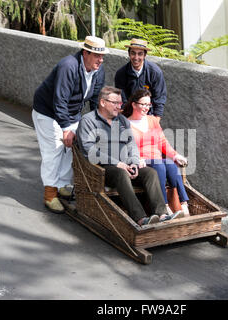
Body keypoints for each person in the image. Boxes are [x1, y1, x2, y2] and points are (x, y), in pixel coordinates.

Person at [76, 86, 179, 226]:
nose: (119, 106)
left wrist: (134, 163)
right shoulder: (88, 121)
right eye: (115, 103)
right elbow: (89, 150)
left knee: (150, 172)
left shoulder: (122, 121)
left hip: (126, 164)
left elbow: (132, 146)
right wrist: (117, 163)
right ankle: (140, 217)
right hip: (102, 168)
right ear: (102, 102)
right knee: (120, 173)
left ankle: (161, 214)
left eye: (120, 103)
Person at [32, 36, 108, 214]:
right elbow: (60, 100)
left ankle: (62, 185)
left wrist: (97, 124)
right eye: (97, 55)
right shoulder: (68, 66)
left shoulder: (99, 70)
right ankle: (50, 193)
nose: (101, 59)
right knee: (55, 148)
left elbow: (96, 100)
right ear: (85, 53)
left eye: (102, 56)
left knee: (72, 147)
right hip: (47, 111)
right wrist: (66, 128)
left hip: (72, 113)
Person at [122, 89, 190, 217]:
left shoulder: (152, 120)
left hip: (157, 159)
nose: (146, 108)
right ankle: (163, 207)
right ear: (134, 104)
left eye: (148, 105)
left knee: (170, 164)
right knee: (159, 164)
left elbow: (163, 142)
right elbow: (124, 147)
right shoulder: (126, 123)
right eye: (143, 104)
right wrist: (136, 159)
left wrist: (176, 155)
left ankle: (183, 204)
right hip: (142, 161)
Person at [114, 38, 167, 119]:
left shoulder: (155, 72)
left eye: (140, 54)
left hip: (149, 115)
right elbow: (122, 100)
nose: (136, 57)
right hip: (129, 116)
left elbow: (159, 99)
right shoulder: (121, 74)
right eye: (133, 53)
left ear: (145, 55)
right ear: (128, 54)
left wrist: (155, 121)